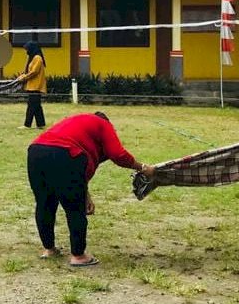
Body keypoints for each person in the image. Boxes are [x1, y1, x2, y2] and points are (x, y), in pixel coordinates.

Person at [27, 112, 153, 266]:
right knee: (74, 208)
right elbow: (118, 154)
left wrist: (86, 195)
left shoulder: (76, 122)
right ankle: (78, 256)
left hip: (36, 152)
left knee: (45, 203)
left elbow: (79, 177)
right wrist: (143, 167)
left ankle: (49, 250)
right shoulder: (103, 124)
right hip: (66, 154)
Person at [16, 41, 47, 129]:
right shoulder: (32, 58)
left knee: (31, 106)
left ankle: (27, 124)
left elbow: (34, 72)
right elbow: (28, 70)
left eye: (27, 49)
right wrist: (22, 75)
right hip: (32, 85)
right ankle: (41, 124)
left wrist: (24, 77)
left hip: (36, 86)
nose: (26, 51)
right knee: (37, 106)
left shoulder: (38, 58)